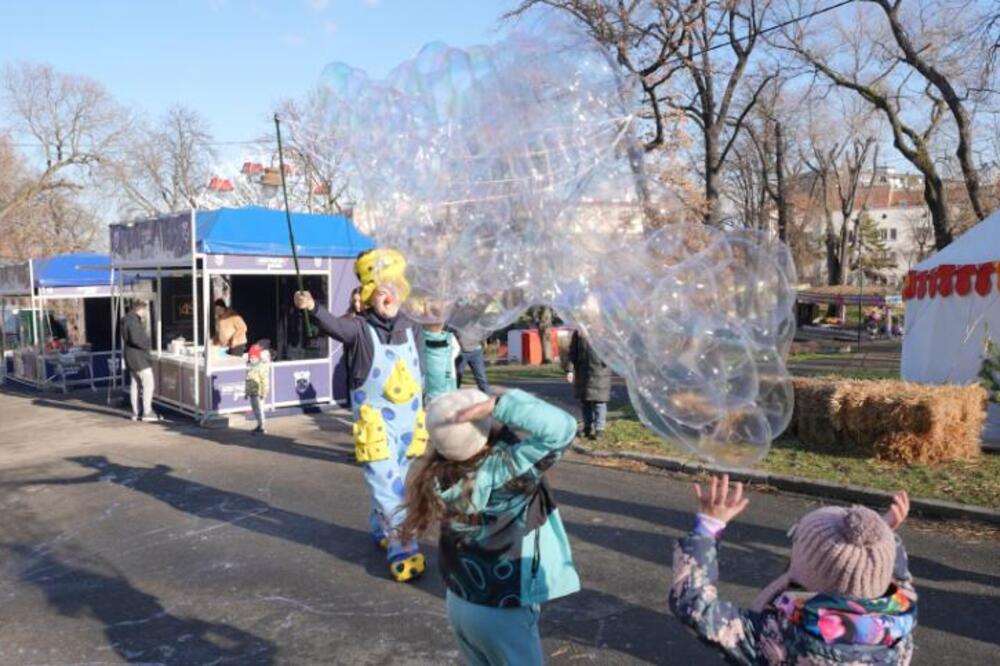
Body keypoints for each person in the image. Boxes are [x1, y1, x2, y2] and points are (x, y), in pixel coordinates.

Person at [402, 388, 581, 666]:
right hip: (502, 608)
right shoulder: (506, 473)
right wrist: (501, 405)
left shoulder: (440, 476)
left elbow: (440, 402)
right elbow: (562, 428)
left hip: (459, 601)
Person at [670, 475, 917, 665]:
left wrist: (708, 526)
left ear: (807, 566)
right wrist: (883, 536)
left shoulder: (777, 634)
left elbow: (696, 607)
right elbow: (899, 578)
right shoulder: (900, 624)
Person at [293, 248, 428, 582]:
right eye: (381, 291)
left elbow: (422, 370)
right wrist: (312, 308)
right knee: (386, 482)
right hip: (376, 425)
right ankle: (402, 541)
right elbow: (336, 326)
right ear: (369, 297)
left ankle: (380, 526)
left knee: (395, 479)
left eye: (393, 288)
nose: (389, 295)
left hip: (410, 420)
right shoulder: (359, 329)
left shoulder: (413, 329)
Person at [564, 329, 612, 441]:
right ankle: (587, 427)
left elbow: (612, 351)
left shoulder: (605, 330)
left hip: (600, 372)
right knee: (585, 401)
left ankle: (599, 429)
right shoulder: (579, 332)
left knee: (599, 402)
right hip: (583, 372)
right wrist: (569, 370)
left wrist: (607, 360)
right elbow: (573, 352)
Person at [122, 300, 158, 423]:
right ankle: (147, 411)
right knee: (148, 384)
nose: (146, 313)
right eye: (145, 310)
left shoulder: (126, 319)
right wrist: (147, 345)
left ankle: (135, 412)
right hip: (139, 358)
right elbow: (136, 338)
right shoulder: (133, 321)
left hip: (130, 357)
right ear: (140, 309)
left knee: (135, 385)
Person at [453, 327, 491, 393]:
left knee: (481, 377)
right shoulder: (457, 319)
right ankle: (452, 399)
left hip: (476, 351)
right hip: (461, 351)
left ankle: (487, 398)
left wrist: (485, 343)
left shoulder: (476, 319)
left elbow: (484, 331)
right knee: (457, 377)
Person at [245, 343, 270, 435]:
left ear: (258, 357)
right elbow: (248, 380)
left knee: (260, 409)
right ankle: (259, 425)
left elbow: (265, 381)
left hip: (259, 392)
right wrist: (247, 392)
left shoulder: (261, 367)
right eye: (250, 357)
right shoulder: (250, 367)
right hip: (252, 392)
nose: (251, 359)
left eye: (253, 357)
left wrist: (264, 392)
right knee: (255, 409)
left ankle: (262, 426)